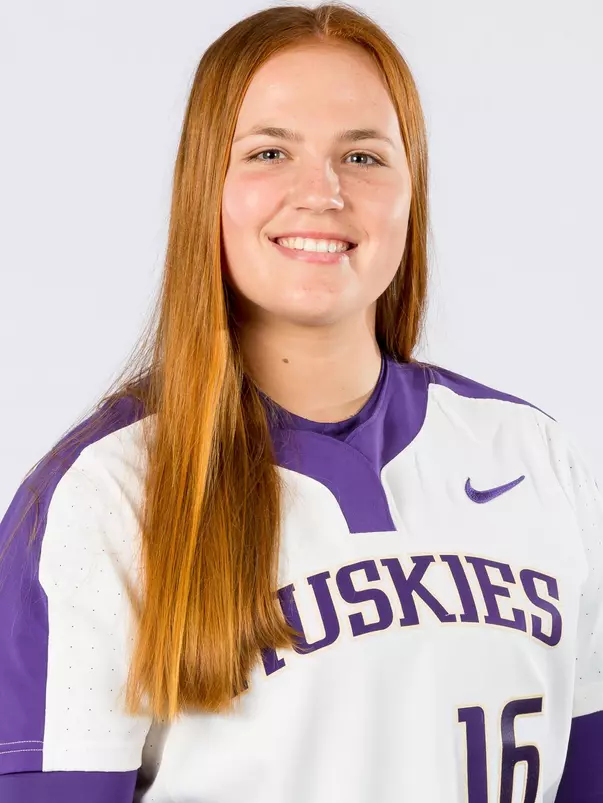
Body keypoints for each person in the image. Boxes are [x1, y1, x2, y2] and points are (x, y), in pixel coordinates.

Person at [0, 2, 600, 801]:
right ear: (204, 184)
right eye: (269, 151)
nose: (320, 192)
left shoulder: (532, 457)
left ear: (410, 190)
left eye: (362, 155)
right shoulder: (102, 495)